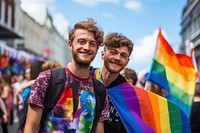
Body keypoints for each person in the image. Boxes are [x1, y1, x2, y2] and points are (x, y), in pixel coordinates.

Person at [24, 18, 109, 133]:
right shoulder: (47, 79)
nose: (87, 47)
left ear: (97, 49)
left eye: (92, 44)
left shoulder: (100, 90)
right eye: (81, 41)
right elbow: (30, 128)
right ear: (70, 45)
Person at [90, 32, 134, 133]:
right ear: (102, 54)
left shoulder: (129, 95)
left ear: (127, 61)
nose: (117, 58)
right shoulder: (86, 79)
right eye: (113, 52)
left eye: (123, 55)